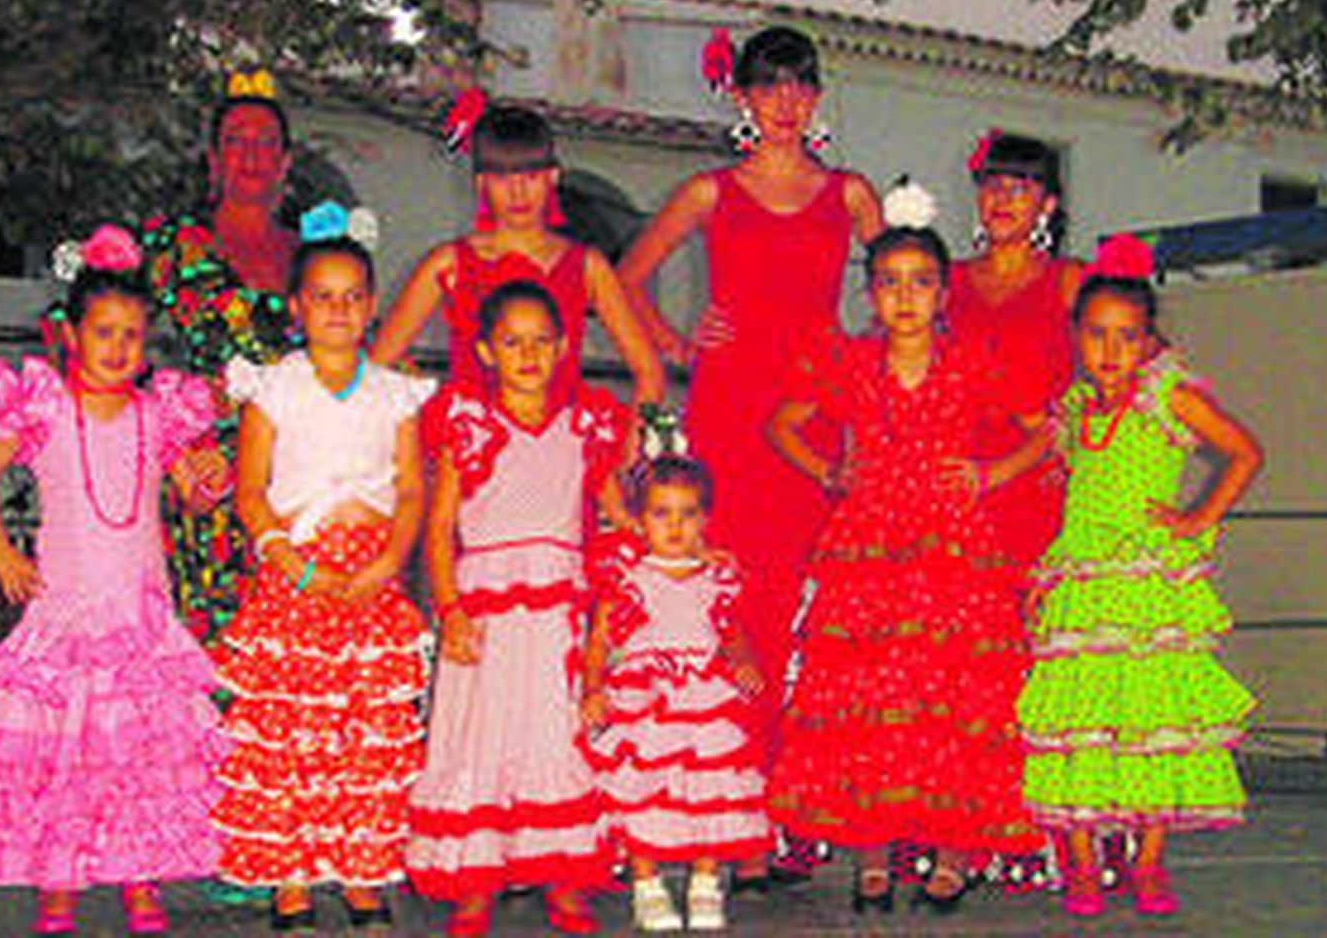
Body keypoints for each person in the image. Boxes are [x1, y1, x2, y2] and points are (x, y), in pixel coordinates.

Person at [0, 225, 233, 935]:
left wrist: (204, 485)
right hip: (65, 617)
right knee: (65, 759)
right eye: (104, 331)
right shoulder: (43, 406)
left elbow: (189, 493)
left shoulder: (159, 412)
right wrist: (2, 552)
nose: (120, 347)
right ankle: (58, 884)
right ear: (71, 334)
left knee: (136, 759)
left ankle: (140, 879)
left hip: (139, 618)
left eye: (133, 333)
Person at [617, 27, 884, 824]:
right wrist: (679, 344)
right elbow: (626, 278)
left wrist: (867, 370)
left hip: (814, 415)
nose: (785, 103)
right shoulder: (710, 191)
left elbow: (909, 287)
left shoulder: (851, 194)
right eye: (768, 87)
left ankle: (798, 803)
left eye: (799, 86)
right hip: (731, 409)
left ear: (817, 96)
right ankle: (729, 795)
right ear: (741, 96)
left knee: (814, 598)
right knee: (735, 597)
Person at [765, 205, 1048, 915]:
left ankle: (951, 856)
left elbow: (1045, 431)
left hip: (954, 551)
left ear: (943, 292)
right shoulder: (852, 361)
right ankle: (873, 858)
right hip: (870, 551)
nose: (905, 296)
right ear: (871, 294)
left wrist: (990, 474)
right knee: (874, 702)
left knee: (951, 701)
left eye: (920, 282)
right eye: (889, 282)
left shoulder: (972, 361)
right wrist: (830, 470)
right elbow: (782, 424)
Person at [1016, 234, 1262, 918]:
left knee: (1152, 719)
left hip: (1148, 586)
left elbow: (1243, 451)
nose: (1111, 350)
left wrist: (1195, 515)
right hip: (1085, 583)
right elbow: (1055, 483)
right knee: (1083, 719)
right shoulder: (1075, 409)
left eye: (1127, 336)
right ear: (1077, 336)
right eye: (1097, 334)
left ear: (1148, 339)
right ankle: (1086, 861)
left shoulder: (1167, 397)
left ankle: (1149, 859)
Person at [211, 235, 435, 930]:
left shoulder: (394, 392)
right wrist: (292, 561)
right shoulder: (272, 385)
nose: (337, 310)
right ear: (296, 306)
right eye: (322, 297)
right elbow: (249, 492)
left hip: (369, 576)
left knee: (359, 729)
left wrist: (387, 562)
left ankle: (359, 873)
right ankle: (292, 876)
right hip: (294, 574)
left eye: (351, 297)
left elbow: (410, 489)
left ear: (371, 306)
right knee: (294, 731)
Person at [405, 281, 632, 937]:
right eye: (513, 341)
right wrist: (449, 606)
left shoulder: (585, 424)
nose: (528, 353)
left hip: (557, 609)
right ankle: (474, 878)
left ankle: (561, 871)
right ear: (485, 350)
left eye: (541, 341)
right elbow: (441, 523)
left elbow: (614, 510)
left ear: (563, 347)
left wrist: (672, 542)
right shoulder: (469, 424)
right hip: (484, 611)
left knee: (552, 733)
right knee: (479, 731)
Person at [141, 70, 300, 645]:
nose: (251, 154)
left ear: (285, 161)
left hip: (294, 473)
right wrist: (174, 446)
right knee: (205, 644)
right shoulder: (172, 245)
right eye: (236, 140)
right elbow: (116, 350)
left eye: (265, 142)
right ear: (213, 159)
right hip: (200, 473)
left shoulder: (311, 254)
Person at [581, 455, 770, 932]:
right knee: (644, 792)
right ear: (640, 519)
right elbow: (599, 642)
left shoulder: (717, 577)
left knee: (707, 790)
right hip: (646, 700)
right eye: (661, 514)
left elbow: (729, 632)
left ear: (705, 519)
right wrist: (593, 688)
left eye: (687, 514)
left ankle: (705, 881)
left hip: (704, 699)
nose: (675, 526)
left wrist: (744, 659)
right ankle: (647, 882)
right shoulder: (625, 578)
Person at [371, 100, 665, 407]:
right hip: (471, 443)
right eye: (502, 178)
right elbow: (379, 364)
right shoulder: (449, 263)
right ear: (481, 184)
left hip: (562, 442)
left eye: (531, 176)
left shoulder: (587, 266)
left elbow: (650, 371)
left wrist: (633, 449)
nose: (518, 193)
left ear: (553, 177)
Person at [950, 130, 1084, 569]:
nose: (1002, 199)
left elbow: (1137, 356)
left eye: (1021, 187)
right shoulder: (944, 279)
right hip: (955, 478)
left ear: (1047, 205)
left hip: (1035, 480)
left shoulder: (1069, 280)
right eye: (993, 185)